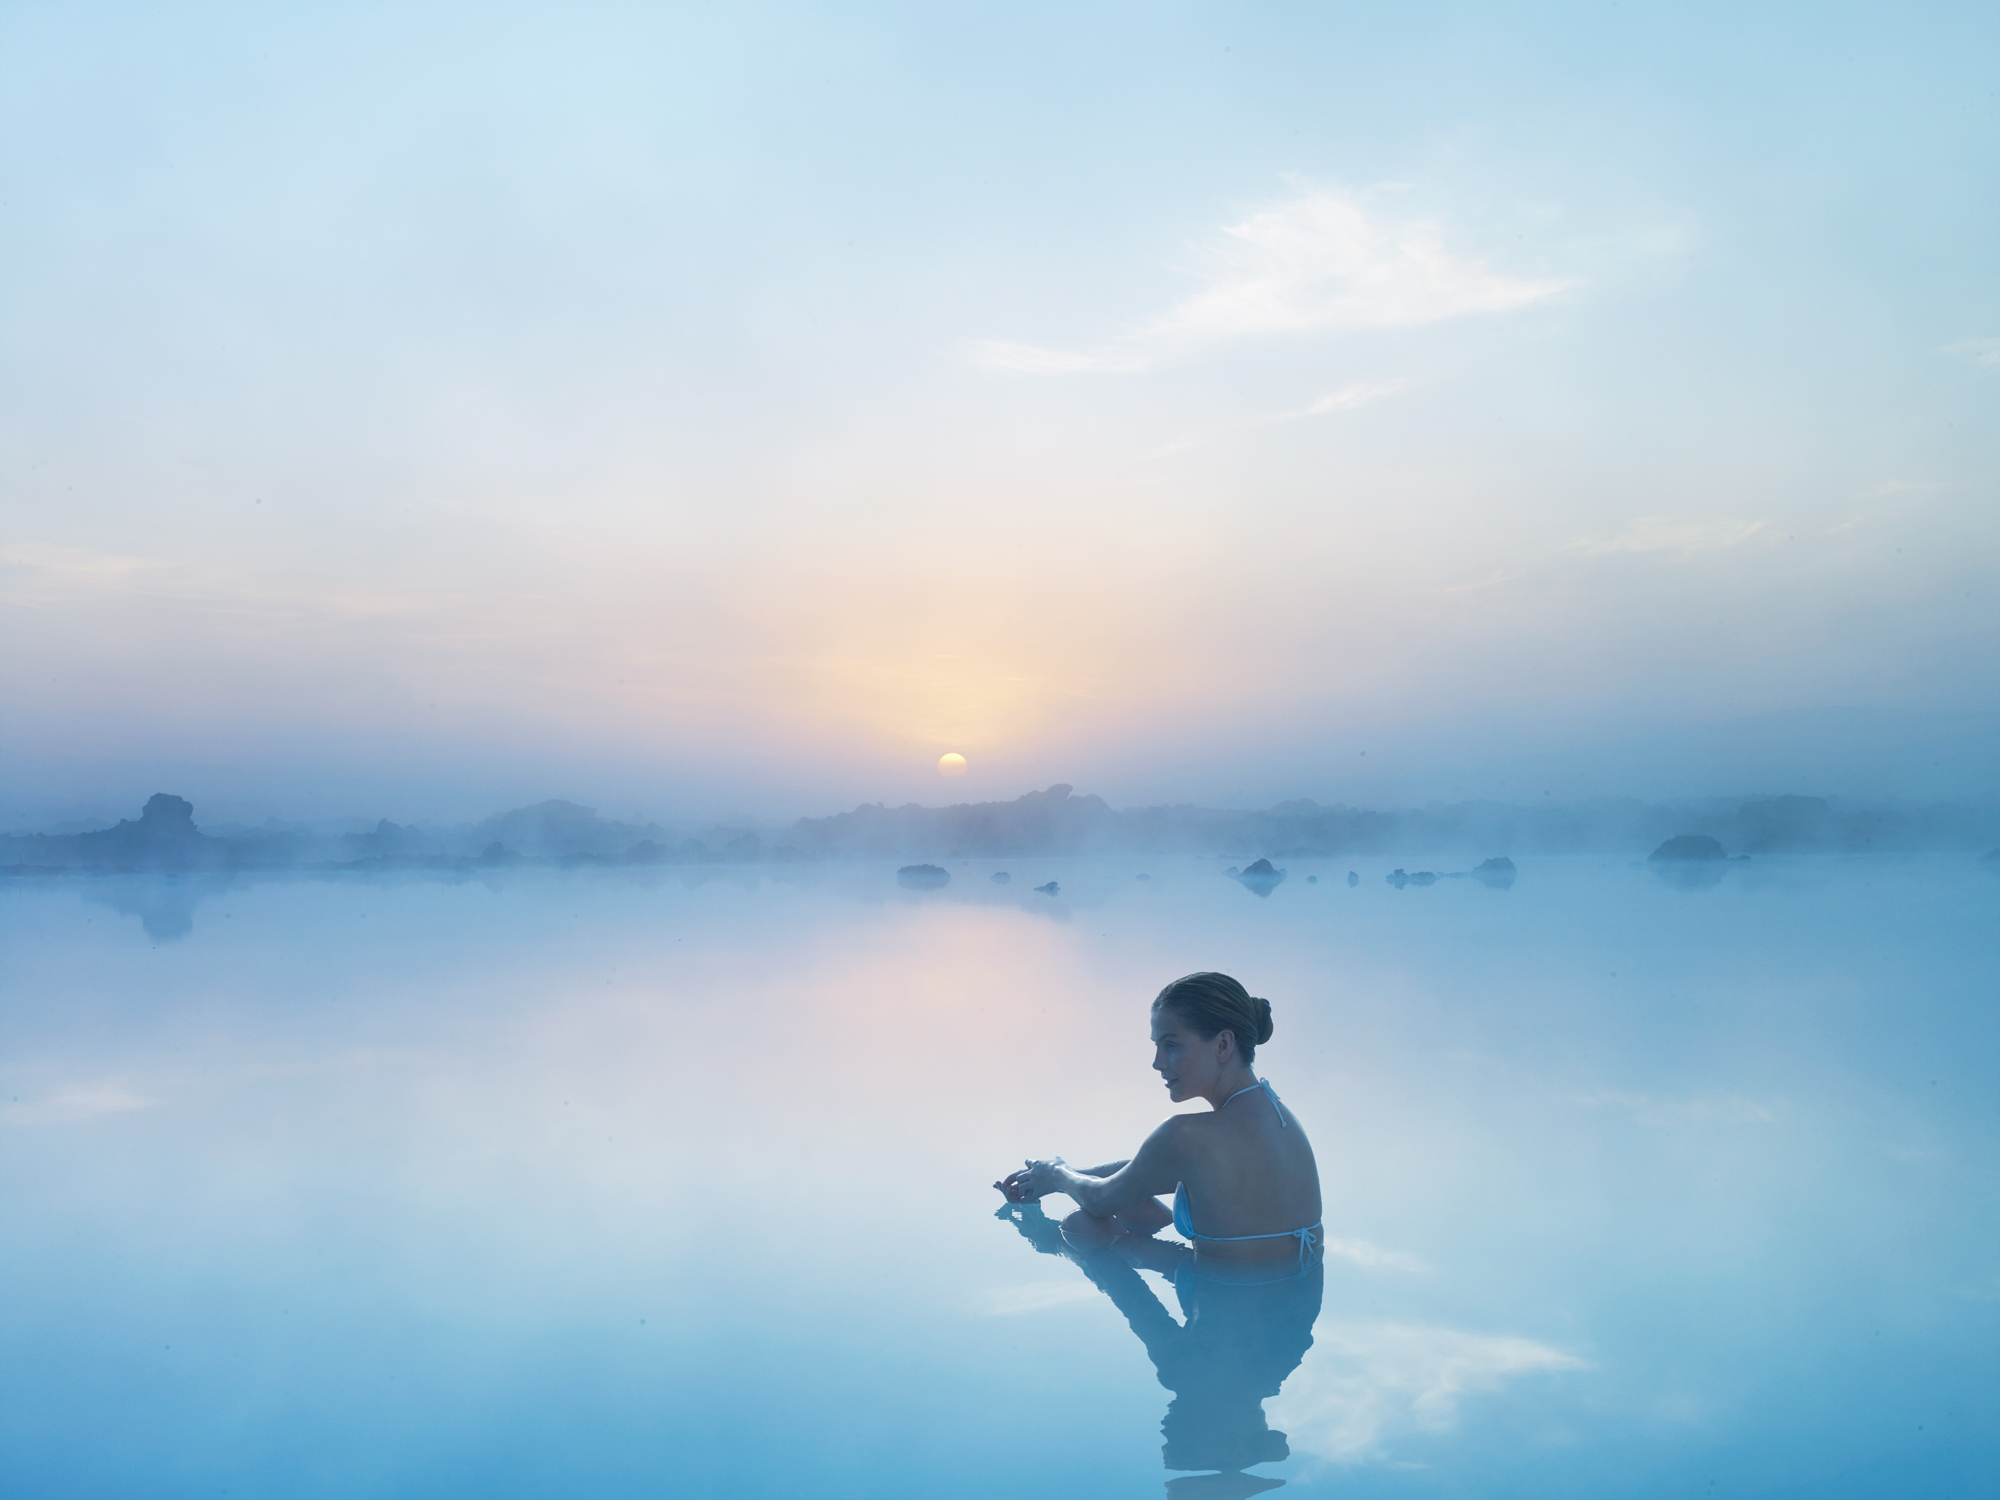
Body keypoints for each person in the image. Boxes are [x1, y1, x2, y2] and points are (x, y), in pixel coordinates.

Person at [995, 972, 1323, 1279]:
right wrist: (1051, 1182)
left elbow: (1099, 1201)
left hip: (1220, 1317)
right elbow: (1146, 1170)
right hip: (1290, 1308)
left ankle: (1068, 1249)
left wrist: (1057, 1173)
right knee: (1127, 1200)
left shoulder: (1183, 1136)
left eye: (1171, 1045)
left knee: (1083, 1225)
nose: (1157, 1063)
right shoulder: (1278, 1116)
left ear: (1223, 1045)